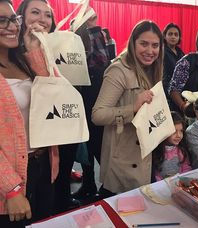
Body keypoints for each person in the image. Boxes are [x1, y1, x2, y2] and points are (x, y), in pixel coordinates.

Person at [17, 0, 79, 214]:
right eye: (35, 12)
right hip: (16, 159)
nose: (42, 19)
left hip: (45, 151)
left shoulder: (48, 54)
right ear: (20, 17)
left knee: (44, 211)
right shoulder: (10, 56)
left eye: (47, 15)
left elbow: (51, 93)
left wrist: (35, 50)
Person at [0, 0, 59, 225]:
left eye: (13, 19)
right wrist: (12, 188)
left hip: (41, 163)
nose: (12, 26)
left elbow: (53, 94)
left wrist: (33, 49)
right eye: (1, 20)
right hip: (9, 175)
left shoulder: (22, 60)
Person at [92, 20, 163, 195]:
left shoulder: (152, 69)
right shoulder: (119, 70)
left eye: (155, 45)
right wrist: (132, 108)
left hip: (144, 155)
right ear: (133, 43)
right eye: (144, 44)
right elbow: (98, 115)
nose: (150, 51)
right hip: (123, 160)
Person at [71, 8, 112, 201]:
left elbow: (102, 63)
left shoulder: (97, 35)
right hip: (79, 96)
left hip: (93, 97)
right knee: (85, 144)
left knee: (96, 145)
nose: (91, 19)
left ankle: (108, 186)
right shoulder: (75, 35)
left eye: (92, 16)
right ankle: (88, 184)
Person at [152, 111, 192, 181]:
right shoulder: (155, 151)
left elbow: (186, 168)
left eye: (181, 131)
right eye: (174, 131)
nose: (178, 135)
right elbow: (155, 174)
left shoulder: (181, 149)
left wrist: (180, 180)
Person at [162, 23, 184, 98]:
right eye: (170, 34)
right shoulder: (161, 51)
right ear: (165, 36)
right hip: (165, 90)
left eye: (176, 34)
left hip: (180, 90)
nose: (173, 37)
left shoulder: (181, 53)